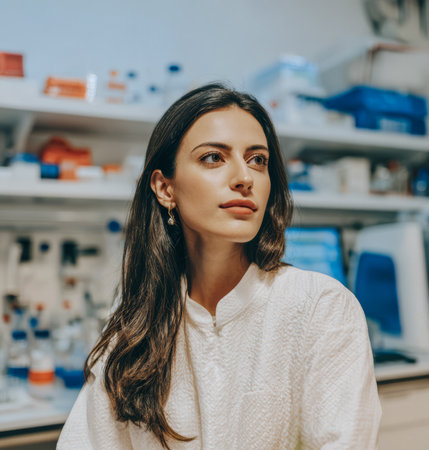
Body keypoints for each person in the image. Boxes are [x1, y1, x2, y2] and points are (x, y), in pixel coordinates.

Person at [57, 83, 381, 449]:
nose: (245, 177)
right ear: (165, 189)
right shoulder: (136, 322)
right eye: (214, 157)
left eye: (258, 160)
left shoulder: (319, 307)